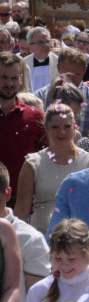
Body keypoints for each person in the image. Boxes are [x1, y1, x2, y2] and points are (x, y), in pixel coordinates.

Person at [15, 104, 89, 233]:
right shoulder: (33, 163)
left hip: (79, 238)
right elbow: (21, 212)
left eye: (67, 127)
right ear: (46, 128)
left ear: (75, 127)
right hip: (42, 238)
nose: (62, 132)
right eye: (55, 127)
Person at [0, 52, 46, 206]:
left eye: (14, 78)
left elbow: (44, 158)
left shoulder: (34, 116)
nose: (9, 83)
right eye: (4, 78)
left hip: (24, 205)